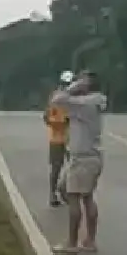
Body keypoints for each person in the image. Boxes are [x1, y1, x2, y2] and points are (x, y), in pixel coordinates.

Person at [52, 70, 107, 253]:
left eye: (81, 81)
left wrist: (72, 87)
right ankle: (89, 239)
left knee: (76, 197)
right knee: (69, 191)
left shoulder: (85, 104)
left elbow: (57, 100)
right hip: (85, 158)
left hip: (84, 158)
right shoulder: (93, 102)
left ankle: (72, 242)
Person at [44, 71, 74, 207]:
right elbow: (47, 118)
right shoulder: (55, 98)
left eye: (70, 83)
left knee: (75, 167)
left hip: (73, 139)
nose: (67, 86)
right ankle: (52, 193)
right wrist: (64, 121)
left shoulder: (76, 99)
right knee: (56, 167)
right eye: (65, 83)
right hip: (57, 138)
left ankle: (68, 192)